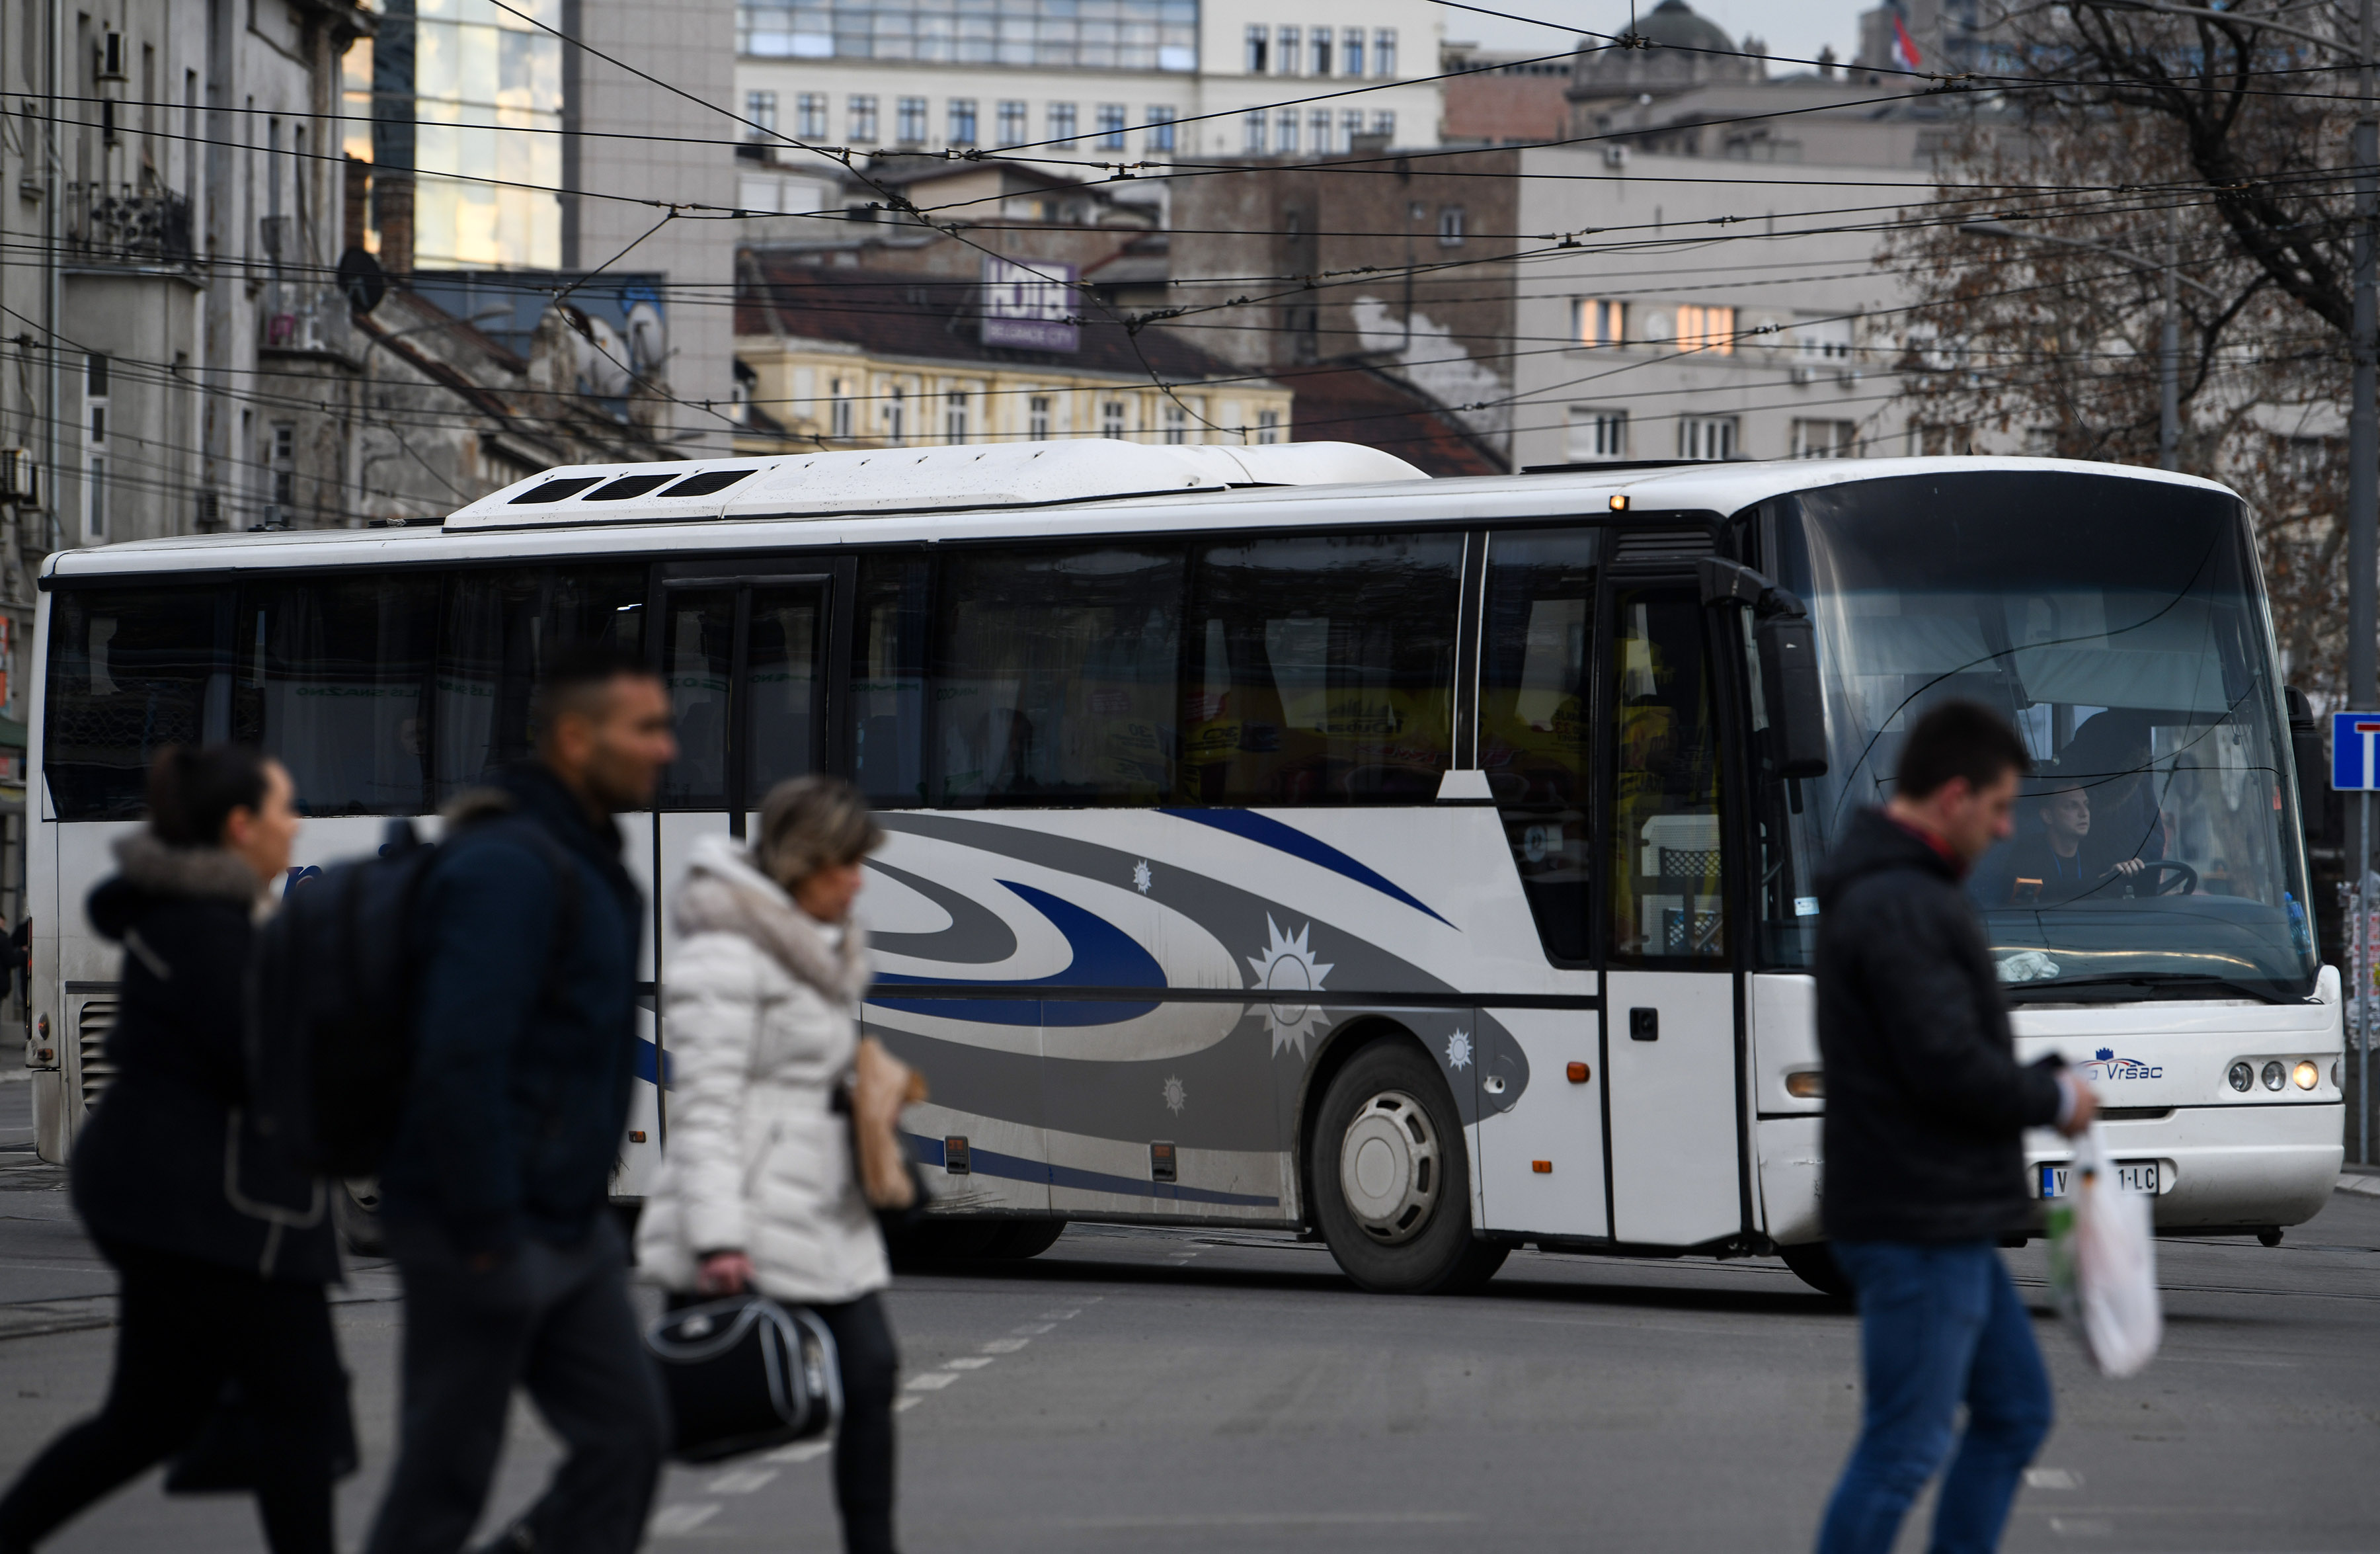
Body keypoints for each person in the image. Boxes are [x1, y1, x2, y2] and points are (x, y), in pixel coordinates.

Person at [0, 746, 349, 1554]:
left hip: (205, 1209)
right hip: (222, 1215)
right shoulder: (202, 933)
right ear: (238, 826)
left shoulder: (215, 923)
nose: (297, 824)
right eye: (283, 809)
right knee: (292, 1417)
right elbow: (263, 1064)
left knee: (156, 1419)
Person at [366, 647, 676, 1554]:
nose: (667, 749)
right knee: (446, 1474)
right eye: (646, 728)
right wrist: (492, 1228)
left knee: (629, 1434)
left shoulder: (589, 859)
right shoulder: (507, 866)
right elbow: (459, 1056)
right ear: (577, 738)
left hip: (562, 1219)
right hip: (482, 1219)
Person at [1813, 700, 2099, 1554]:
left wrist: (2035, 1081)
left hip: (1944, 1213)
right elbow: (1941, 1064)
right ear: (1951, 795)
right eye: (2001, 806)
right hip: (1918, 1217)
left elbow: (1935, 1046)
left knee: (2015, 1412)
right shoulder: (1902, 900)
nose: (2009, 828)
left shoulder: (1904, 890)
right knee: (1903, 1447)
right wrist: (2053, 1101)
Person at [637, 776, 904, 1554]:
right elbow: (707, 1108)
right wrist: (720, 1241)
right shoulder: (725, 955)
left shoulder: (815, 946)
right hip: (751, 1210)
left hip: (821, 1208)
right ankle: (569, 1525)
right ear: (801, 861)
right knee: (692, 1414)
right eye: (845, 864)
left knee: (872, 1375)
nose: (859, 881)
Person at [2003, 782, 2145, 906]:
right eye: (2072, 806)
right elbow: (2030, 901)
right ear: (2048, 816)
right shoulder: (2028, 852)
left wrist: (2127, 872)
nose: (2084, 813)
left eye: (2086, 805)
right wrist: (2100, 882)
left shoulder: (2097, 852)